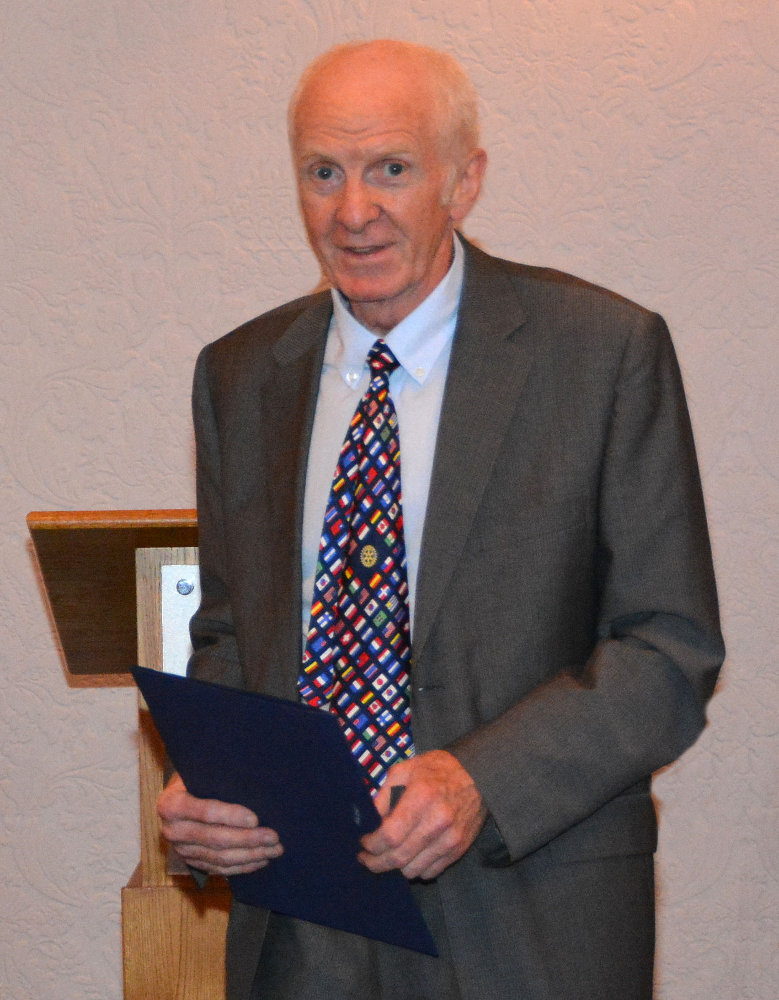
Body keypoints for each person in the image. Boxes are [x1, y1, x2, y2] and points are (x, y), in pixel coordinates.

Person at [157, 39, 724, 1000]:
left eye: (391, 168)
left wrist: (478, 782)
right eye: (322, 172)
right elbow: (229, 636)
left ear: (464, 181)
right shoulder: (240, 375)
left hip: (531, 919)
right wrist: (214, 785)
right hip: (301, 929)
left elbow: (667, 649)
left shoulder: (601, 353)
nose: (353, 210)